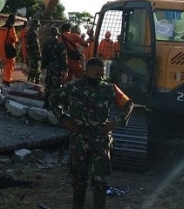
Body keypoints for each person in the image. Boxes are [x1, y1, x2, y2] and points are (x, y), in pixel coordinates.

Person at [49, 57, 134, 209]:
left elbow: (128, 104)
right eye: (96, 74)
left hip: (100, 142)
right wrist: (63, 119)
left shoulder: (109, 88)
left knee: (100, 182)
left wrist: (115, 123)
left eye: (101, 74)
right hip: (79, 141)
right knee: (78, 180)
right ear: (86, 72)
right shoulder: (72, 87)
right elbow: (53, 98)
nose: (99, 78)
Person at [41, 26, 67, 108]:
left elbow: (44, 57)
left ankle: (46, 103)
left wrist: (43, 67)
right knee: (55, 86)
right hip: (57, 68)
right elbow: (63, 57)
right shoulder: (60, 45)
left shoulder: (46, 44)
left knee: (48, 85)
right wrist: (65, 69)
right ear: (57, 35)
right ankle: (54, 104)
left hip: (48, 67)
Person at [0, 14, 18, 86]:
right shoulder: (11, 28)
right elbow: (15, 39)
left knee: (4, 66)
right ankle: (7, 82)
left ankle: (4, 80)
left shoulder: (1, 28)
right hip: (8, 50)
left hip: (1, 50)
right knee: (9, 66)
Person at [26, 19, 42, 84]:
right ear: (35, 26)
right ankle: (35, 85)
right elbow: (36, 45)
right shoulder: (34, 33)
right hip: (35, 55)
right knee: (37, 71)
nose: (38, 28)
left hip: (30, 54)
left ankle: (29, 83)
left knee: (31, 70)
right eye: (37, 26)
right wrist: (39, 55)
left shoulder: (28, 32)